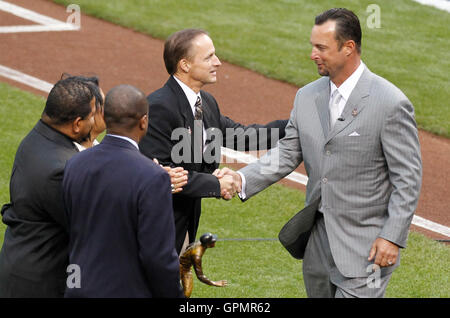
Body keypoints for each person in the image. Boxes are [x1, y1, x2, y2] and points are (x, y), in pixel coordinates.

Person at [216, 8, 422, 298]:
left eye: (321, 48)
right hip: (318, 246)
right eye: (313, 46)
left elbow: (408, 180)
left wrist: (392, 237)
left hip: (367, 249)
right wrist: (241, 180)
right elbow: (288, 152)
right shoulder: (307, 96)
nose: (313, 54)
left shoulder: (390, 103)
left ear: (348, 48)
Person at [139, 28, 289, 254]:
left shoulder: (205, 103)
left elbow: (242, 135)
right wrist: (215, 184)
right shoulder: (160, 107)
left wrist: (297, 124)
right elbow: (159, 174)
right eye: (208, 57)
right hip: (155, 226)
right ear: (185, 65)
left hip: (183, 222)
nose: (218, 62)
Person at [62, 85, 183, 298]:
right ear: (143, 121)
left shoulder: (75, 163)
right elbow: (158, 257)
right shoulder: (153, 177)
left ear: (104, 117)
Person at [0, 75, 103, 297]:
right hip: (39, 283)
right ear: (77, 124)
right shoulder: (60, 170)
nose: (96, 121)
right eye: (93, 115)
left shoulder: (40, 137)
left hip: (23, 266)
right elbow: (91, 227)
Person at [179, 233, 227, 298]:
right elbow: (200, 276)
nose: (214, 243)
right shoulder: (196, 255)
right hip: (179, 268)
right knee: (175, 291)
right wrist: (214, 283)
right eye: (213, 242)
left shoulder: (200, 243)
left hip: (186, 268)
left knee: (187, 293)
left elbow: (189, 246)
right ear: (207, 244)